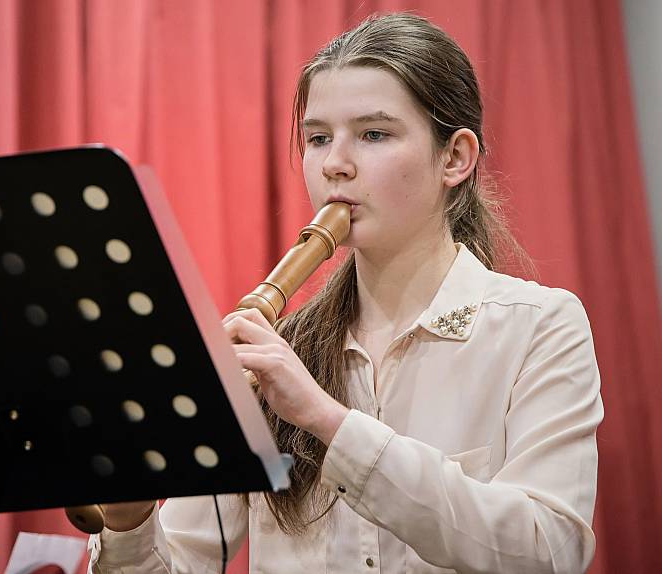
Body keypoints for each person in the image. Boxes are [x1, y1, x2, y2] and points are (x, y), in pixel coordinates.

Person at [88, 12, 603, 573]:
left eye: (374, 134)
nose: (334, 164)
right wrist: (129, 520)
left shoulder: (541, 326)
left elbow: (550, 552)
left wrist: (327, 422)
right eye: (317, 138)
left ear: (455, 157)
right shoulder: (273, 358)